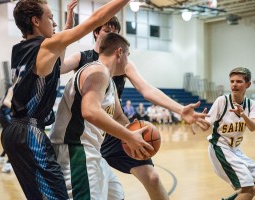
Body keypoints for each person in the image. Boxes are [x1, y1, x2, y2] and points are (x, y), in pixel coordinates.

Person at [62, 15, 208, 200]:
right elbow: (56, 68)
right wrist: (65, 35)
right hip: (85, 132)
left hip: (113, 129)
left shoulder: (121, 65)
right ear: (96, 32)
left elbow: (146, 90)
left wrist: (179, 109)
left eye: (115, 33)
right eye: (107, 31)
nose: (112, 36)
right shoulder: (86, 60)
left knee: (152, 178)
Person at [0, 0, 131, 199]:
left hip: (14, 131)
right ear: (35, 21)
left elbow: (56, 63)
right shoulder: (45, 46)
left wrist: (66, 29)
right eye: (50, 18)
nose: (54, 24)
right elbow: (97, 18)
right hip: (29, 132)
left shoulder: (20, 49)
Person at [49, 32, 153, 199]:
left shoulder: (108, 79)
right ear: (119, 52)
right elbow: (90, 111)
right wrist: (129, 136)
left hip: (92, 151)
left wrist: (133, 134)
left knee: (116, 195)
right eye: (128, 55)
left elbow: (118, 116)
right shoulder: (98, 71)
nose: (128, 61)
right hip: (75, 151)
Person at [198, 67, 255, 200]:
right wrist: (198, 121)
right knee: (248, 190)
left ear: (247, 84)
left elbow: (253, 127)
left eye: (239, 81)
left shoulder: (251, 105)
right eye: (232, 81)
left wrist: (243, 114)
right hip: (220, 148)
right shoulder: (222, 101)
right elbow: (205, 126)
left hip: (236, 150)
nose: (234, 84)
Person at [0, 85, 13, 173]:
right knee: (13, 139)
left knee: (10, 139)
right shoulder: (14, 87)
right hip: (5, 115)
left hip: (5, 115)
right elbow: (5, 102)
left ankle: (1, 157)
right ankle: (8, 163)